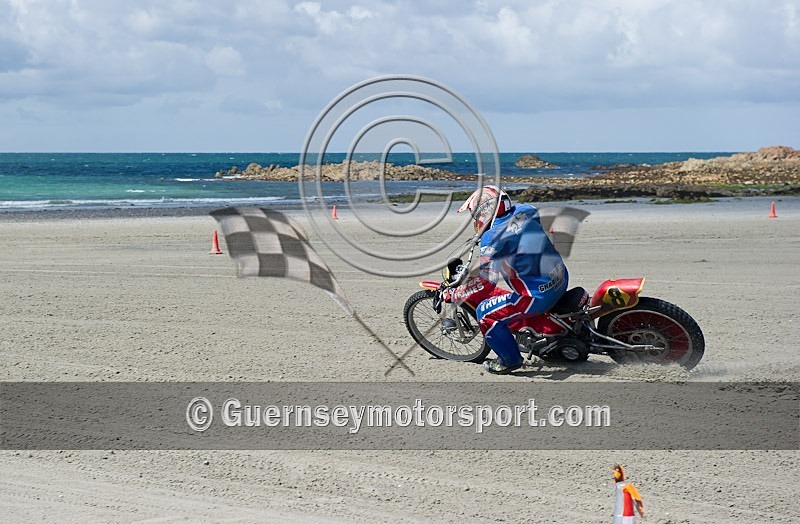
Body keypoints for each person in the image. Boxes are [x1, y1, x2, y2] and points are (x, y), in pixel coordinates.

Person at [445, 185, 569, 374]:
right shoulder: (526, 210)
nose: (475, 219)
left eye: (475, 214)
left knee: (484, 313)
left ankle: (509, 361)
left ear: (485, 211)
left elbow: (486, 283)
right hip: (559, 277)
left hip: (538, 296)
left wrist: (457, 292)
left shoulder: (492, 237)